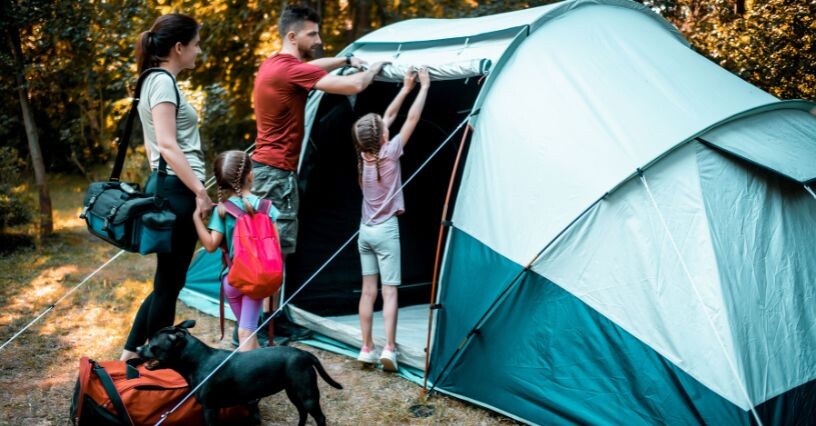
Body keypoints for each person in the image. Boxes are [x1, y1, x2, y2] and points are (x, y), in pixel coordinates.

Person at [250, 4, 389, 343]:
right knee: (276, 250)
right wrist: (372, 70)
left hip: (267, 169)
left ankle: (269, 317)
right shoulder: (288, 71)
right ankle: (268, 324)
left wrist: (344, 61)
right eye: (313, 33)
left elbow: (312, 66)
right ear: (293, 35)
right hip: (276, 173)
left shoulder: (276, 64)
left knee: (272, 247)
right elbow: (355, 87)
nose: (319, 38)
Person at [121, 14, 213, 361]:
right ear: (178, 47)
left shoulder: (154, 80)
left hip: (171, 186)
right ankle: (152, 360)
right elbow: (167, 145)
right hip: (178, 190)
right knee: (169, 286)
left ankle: (132, 352)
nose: (198, 51)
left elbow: (152, 146)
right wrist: (200, 192)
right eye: (196, 44)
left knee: (167, 283)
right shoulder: (161, 82)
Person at [352, 67, 430, 371]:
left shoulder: (365, 156)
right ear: (383, 137)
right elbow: (409, 119)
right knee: (389, 292)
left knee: (368, 292)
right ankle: (389, 348)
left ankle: (366, 347)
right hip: (386, 232)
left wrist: (405, 88)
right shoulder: (392, 151)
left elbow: (386, 119)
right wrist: (423, 88)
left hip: (364, 232)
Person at [191, 150, 280, 351]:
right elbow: (275, 249)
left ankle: (260, 377)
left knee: (248, 331)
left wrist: (197, 219)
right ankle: (248, 381)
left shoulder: (222, 210)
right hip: (254, 280)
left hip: (231, 280)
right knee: (246, 334)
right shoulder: (267, 208)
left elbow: (211, 246)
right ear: (250, 175)